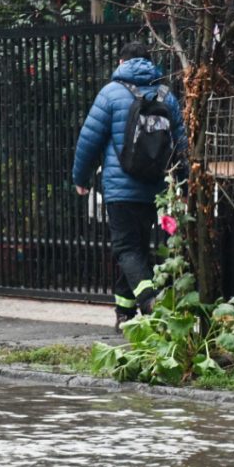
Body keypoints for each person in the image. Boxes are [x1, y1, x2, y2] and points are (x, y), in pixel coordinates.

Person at [72, 42, 187, 332]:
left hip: (121, 189)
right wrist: (183, 184)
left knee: (126, 248)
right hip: (155, 187)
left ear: (122, 61)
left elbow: (89, 140)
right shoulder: (167, 96)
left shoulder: (110, 94)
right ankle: (124, 313)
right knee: (137, 248)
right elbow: (181, 146)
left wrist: (80, 179)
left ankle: (151, 302)